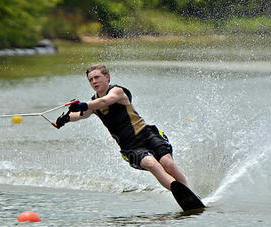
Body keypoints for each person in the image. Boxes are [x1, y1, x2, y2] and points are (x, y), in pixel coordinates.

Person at [55, 64, 189, 191]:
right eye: (90, 80)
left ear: (107, 77)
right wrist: (65, 118)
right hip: (130, 147)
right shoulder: (92, 103)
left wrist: (84, 105)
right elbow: (80, 115)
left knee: (168, 164)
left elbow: (105, 101)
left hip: (147, 134)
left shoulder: (117, 91)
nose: (94, 81)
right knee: (151, 164)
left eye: (97, 77)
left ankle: (190, 192)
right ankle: (181, 194)